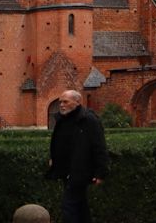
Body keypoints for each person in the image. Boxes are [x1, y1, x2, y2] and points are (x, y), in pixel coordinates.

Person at [46, 88, 109, 223]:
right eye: (60, 102)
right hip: (66, 170)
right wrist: (53, 158)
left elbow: (99, 146)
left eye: (65, 102)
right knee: (80, 205)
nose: (61, 105)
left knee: (69, 205)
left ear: (77, 102)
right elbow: (58, 142)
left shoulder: (89, 120)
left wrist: (100, 173)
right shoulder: (62, 119)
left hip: (81, 170)